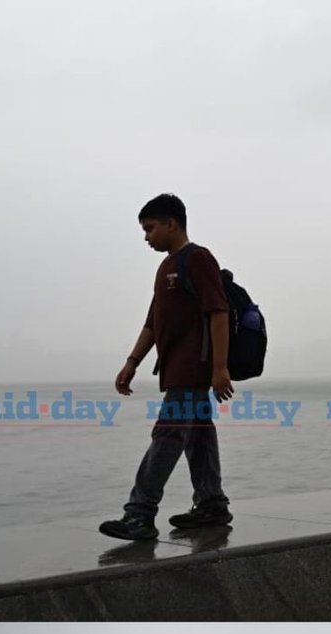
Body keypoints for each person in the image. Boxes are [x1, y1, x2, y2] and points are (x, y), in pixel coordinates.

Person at [99, 193, 234, 540]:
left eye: (150, 228)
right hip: (175, 369)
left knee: (168, 435)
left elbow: (218, 311)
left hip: (193, 368)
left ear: (171, 224)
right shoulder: (166, 267)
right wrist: (132, 363)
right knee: (199, 435)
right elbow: (152, 322)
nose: (146, 237)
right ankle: (212, 504)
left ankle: (140, 514)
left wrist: (220, 367)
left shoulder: (197, 258)